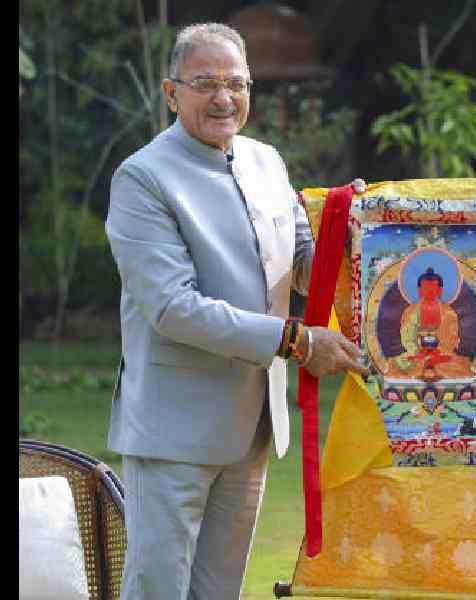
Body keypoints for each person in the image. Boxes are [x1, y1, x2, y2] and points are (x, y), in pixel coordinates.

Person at [104, 23, 366, 599]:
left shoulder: (266, 161)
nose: (223, 97)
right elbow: (173, 307)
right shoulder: (143, 178)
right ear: (171, 93)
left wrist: (360, 225)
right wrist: (298, 342)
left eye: (237, 83)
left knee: (220, 591)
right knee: (157, 589)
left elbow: (306, 264)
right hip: (173, 431)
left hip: (252, 425)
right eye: (205, 83)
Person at [386, 267, 474, 380]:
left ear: (440, 291)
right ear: (419, 290)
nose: (429, 291)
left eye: (433, 288)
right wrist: (417, 352)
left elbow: (451, 338)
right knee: (397, 364)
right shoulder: (411, 311)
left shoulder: (448, 313)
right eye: (426, 288)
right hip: (418, 354)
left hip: (441, 355)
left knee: (460, 365)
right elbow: (407, 336)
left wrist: (439, 352)